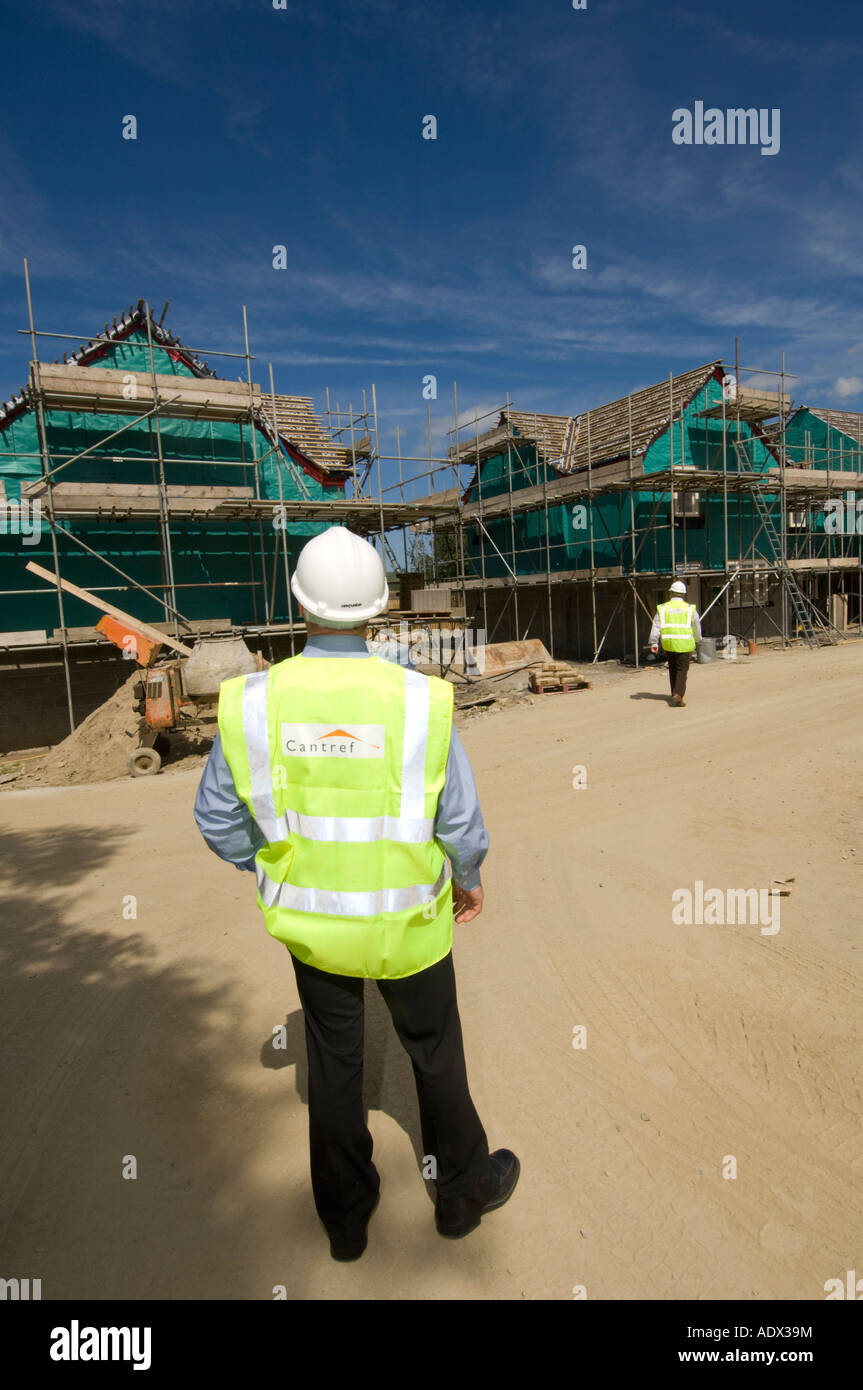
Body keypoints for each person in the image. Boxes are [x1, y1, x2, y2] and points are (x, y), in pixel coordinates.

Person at [193, 526, 519, 1260]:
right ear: (378, 607)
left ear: (299, 603)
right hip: (411, 924)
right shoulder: (419, 699)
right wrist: (466, 877)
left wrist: (275, 866)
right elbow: (458, 819)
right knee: (433, 1052)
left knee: (334, 1063)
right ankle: (461, 1192)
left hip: (315, 928)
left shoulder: (251, 702)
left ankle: (344, 1218)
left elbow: (216, 817)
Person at [648, 579, 702, 707]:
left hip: (669, 644)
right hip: (684, 644)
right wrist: (698, 639)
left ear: (671, 593)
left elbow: (656, 625)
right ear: (683, 594)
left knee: (673, 669)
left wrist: (654, 643)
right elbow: (696, 626)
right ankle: (678, 695)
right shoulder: (690, 609)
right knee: (682, 670)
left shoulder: (663, 608)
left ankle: (674, 693)